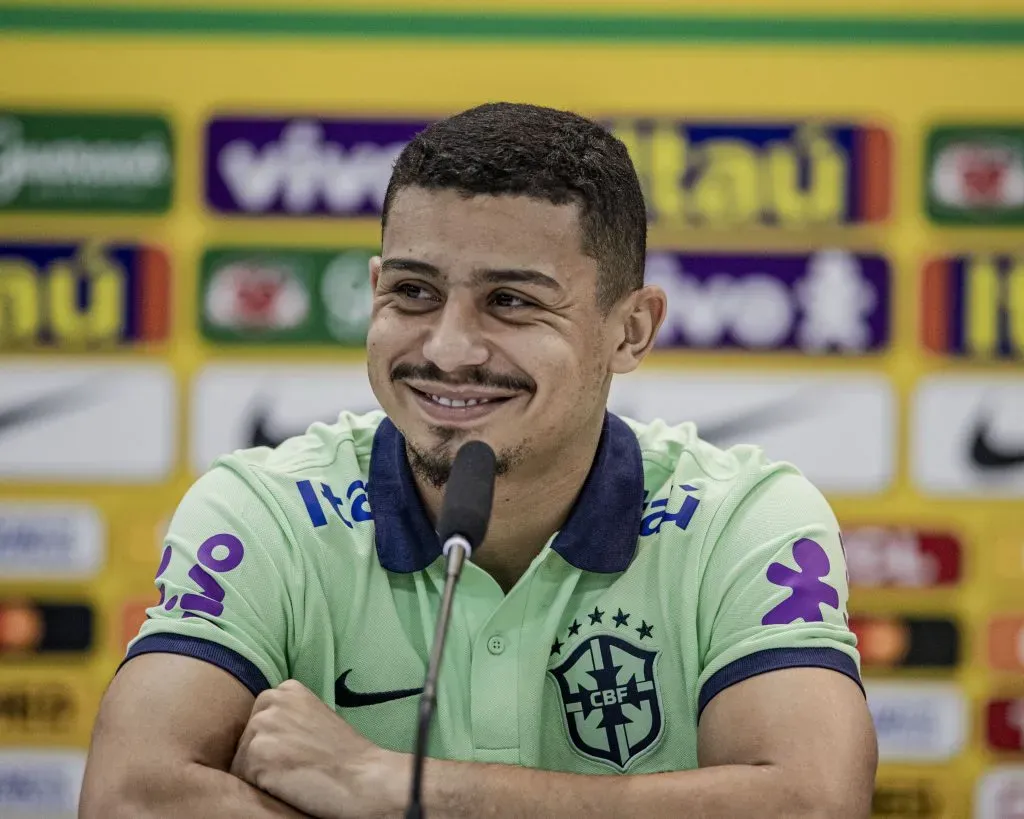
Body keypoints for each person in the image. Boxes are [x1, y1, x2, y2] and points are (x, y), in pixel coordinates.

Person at [80, 102, 877, 818]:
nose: (450, 348)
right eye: (414, 293)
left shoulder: (744, 518)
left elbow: (808, 801)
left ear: (631, 329)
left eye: (512, 301)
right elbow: (131, 796)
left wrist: (402, 787)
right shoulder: (264, 509)